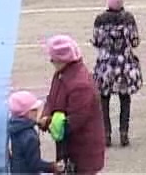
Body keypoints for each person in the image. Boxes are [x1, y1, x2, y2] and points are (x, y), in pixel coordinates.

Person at [40, 35, 105, 175]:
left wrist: (49, 123)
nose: (51, 61)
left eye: (53, 58)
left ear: (63, 60)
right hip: (68, 146)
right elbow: (51, 99)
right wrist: (46, 114)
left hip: (83, 149)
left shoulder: (80, 85)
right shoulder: (61, 74)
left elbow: (75, 120)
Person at [91, 0, 142, 147]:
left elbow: (97, 41)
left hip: (105, 66)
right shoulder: (129, 18)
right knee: (125, 98)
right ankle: (124, 132)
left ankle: (106, 133)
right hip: (124, 65)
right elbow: (135, 41)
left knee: (103, 100)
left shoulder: (100, 20)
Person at [8, 91, 64, 175]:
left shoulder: (14, 128)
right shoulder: (30, 137)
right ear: (27, 113)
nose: (37, 112)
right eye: (34, 110)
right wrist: (53, 166)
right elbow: (35, 164)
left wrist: (36, 123)